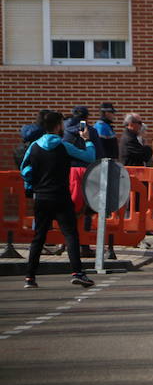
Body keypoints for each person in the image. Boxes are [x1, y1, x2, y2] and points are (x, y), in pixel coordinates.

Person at [20, 110, 96, 289]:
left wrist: (32, 188)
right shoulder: (63, 146)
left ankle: (30, 277)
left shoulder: (34, 146)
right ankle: (78, 272)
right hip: (61, 196)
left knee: (39, 237)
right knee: (70, 234)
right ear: (57, 126)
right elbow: (90, 157)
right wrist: (87, 140)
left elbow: (26, 170)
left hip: (42, 196)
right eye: (62, 123)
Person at [63, 105, 103, 257]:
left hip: (68, 173)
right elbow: (98, 153)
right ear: (86, 117)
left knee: (70, 208)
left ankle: (65, 243)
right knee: (86, 209)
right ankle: (84, 245)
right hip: (88, 172)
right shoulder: (90, 132)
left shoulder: (65, 131)